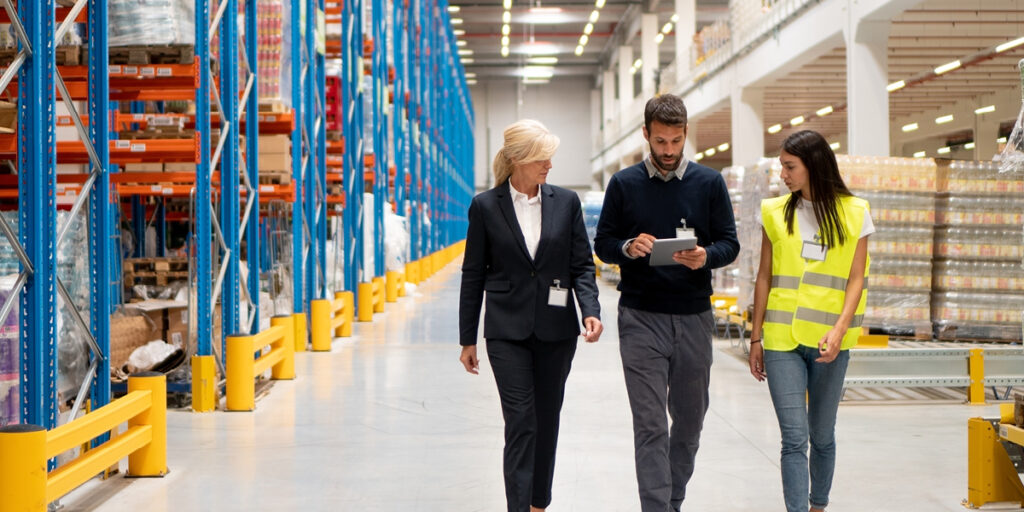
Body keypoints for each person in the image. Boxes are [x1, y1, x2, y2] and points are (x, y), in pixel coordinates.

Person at [593, 94, 739, 512]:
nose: (669, 151)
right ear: (646, 135)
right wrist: (627, 246)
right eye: (660, 142)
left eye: (676, 141)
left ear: (685, 135)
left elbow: (729, 243)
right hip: (641, 317)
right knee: (651, 424)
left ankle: (673, 498)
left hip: (693, 317)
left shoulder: (709, 184)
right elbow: (603, 243)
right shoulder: (624, 184)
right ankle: (657, 508)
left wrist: (705, 256)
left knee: (690, 423)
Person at [458, 119, 603, 512]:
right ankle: (519, 507)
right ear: (520, 159)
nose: (549, 166)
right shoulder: (486, 207)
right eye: (543, 158)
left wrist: (590, 310)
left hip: (557, 331)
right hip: (506, 330)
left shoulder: (566, 202)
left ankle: (539, 503)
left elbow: (581, 266)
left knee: (547, 418)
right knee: (521, 421)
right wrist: (467, 338)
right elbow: (473, 274)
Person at [748, 130, 872, 512]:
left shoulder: (855, 212)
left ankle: (818, 505)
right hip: (781, 339)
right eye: (782, 166)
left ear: (813, 165)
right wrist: (755, 339)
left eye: (790, 167)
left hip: (829, 342)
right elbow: (764, 276)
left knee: (822, 436)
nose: (783, 174)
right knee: (793, 438)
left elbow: (856, 279)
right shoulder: (774, 211)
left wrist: (839, 331)